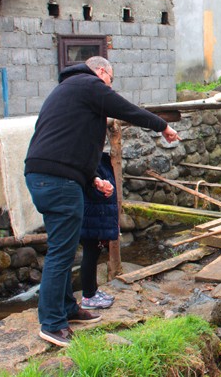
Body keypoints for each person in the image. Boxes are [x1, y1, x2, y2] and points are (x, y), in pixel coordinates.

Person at [25, 56, 180, 347]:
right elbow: (125, 108)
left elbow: (68, 144)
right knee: (61, 252)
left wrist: (91, 178)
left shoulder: (67, 90)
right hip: (58, 181)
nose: (109, 85)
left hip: (46, 176)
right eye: (111, 79)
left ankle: (67, 309)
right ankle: (51, 323)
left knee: (65, 246)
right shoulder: (89, 84)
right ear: (101, 71)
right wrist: (162, 126)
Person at [79, 152, 118, 310]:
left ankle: (92, 291)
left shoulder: (99, 160)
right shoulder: (89, 163)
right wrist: (105, 189)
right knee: (90, 254)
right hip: (92, 218)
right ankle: (88, 296)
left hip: (96, 217)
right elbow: (92, 189)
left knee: (93, 254)